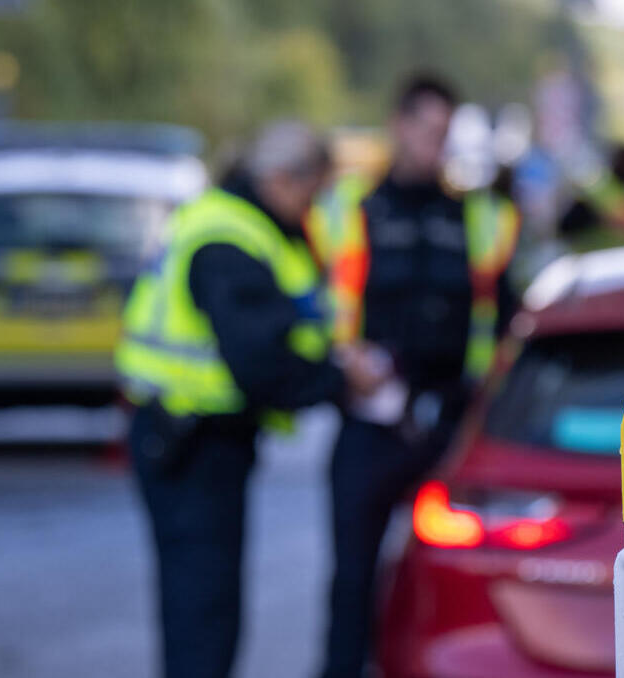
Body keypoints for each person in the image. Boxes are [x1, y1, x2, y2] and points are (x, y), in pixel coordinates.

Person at [115, 121, 382, 678]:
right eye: (313, 193)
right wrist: (340, 381)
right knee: (203, 615)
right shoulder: (230, 239)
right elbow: (262, 365)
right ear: (282, 180)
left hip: (190, 437)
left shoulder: (233, 222)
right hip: (193, 444)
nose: (315, 207)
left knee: (200, 607)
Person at [309, 75, 519, 678]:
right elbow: (309, 303)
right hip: (370, 419)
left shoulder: (480, 217)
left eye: (445, 132)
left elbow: (508, 319)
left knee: (446, 575)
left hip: (452, 423)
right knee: (352, 577)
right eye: (427, 130)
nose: (437, 144)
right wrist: (339, 363)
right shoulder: (350, 210)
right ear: (398, 125)